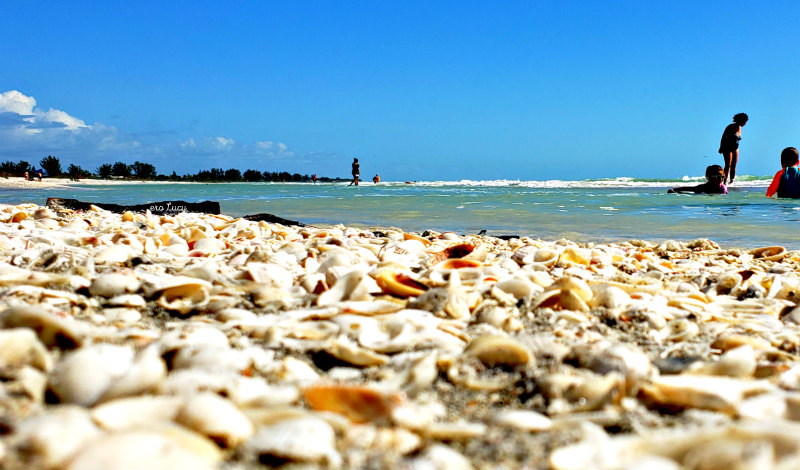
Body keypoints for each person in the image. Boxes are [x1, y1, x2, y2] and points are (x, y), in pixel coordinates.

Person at [718, 112, 748, 184]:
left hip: (735, 148)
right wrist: (721, 147)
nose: (745, 124)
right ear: (741, 121)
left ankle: (731, 181)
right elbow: (723, 137)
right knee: (728, 165)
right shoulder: (730, 127)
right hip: (727, 147)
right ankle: (724, 181)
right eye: (745, 122)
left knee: (734, 166)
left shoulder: (740, 128)